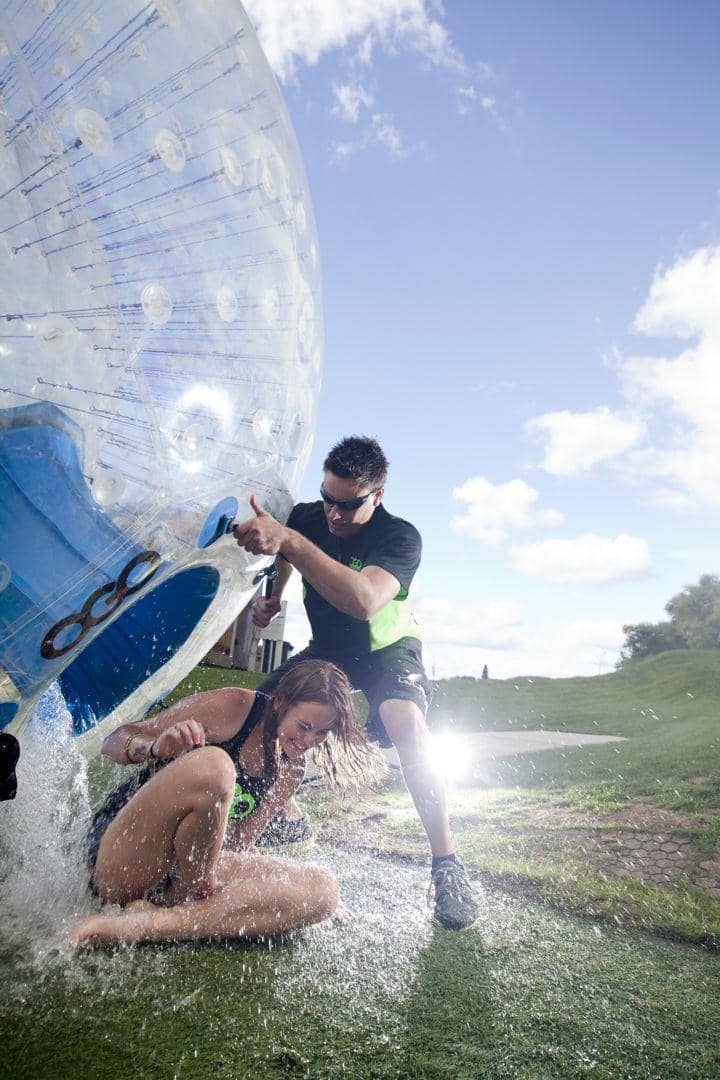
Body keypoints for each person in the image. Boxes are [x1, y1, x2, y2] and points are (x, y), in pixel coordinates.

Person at [233, 435, 478, 931]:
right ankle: (285, 817)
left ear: (378, 494)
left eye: (348, 504)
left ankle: (447, 864)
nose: (334, 513)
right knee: (256, 711)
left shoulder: (400, 537)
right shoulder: (306, 518)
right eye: (328, 499)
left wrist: (292, 542)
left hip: (387, 649)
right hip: (330, 648)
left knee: (403, 720)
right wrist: (275, 595)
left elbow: (365, 600)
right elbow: (284, 552)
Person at [71, 660, 373, 948]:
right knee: (216, 767)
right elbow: (114, 741)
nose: (308, 741)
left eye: (322, 733)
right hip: (126, 860)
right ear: (280, 702)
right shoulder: (236, 706)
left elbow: (239, 844)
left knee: (323, 890)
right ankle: (180, 907)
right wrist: (154, 746)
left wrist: (294, 888)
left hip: (184, 879)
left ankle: (148, 923)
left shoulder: (291, 770)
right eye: (304, 726)